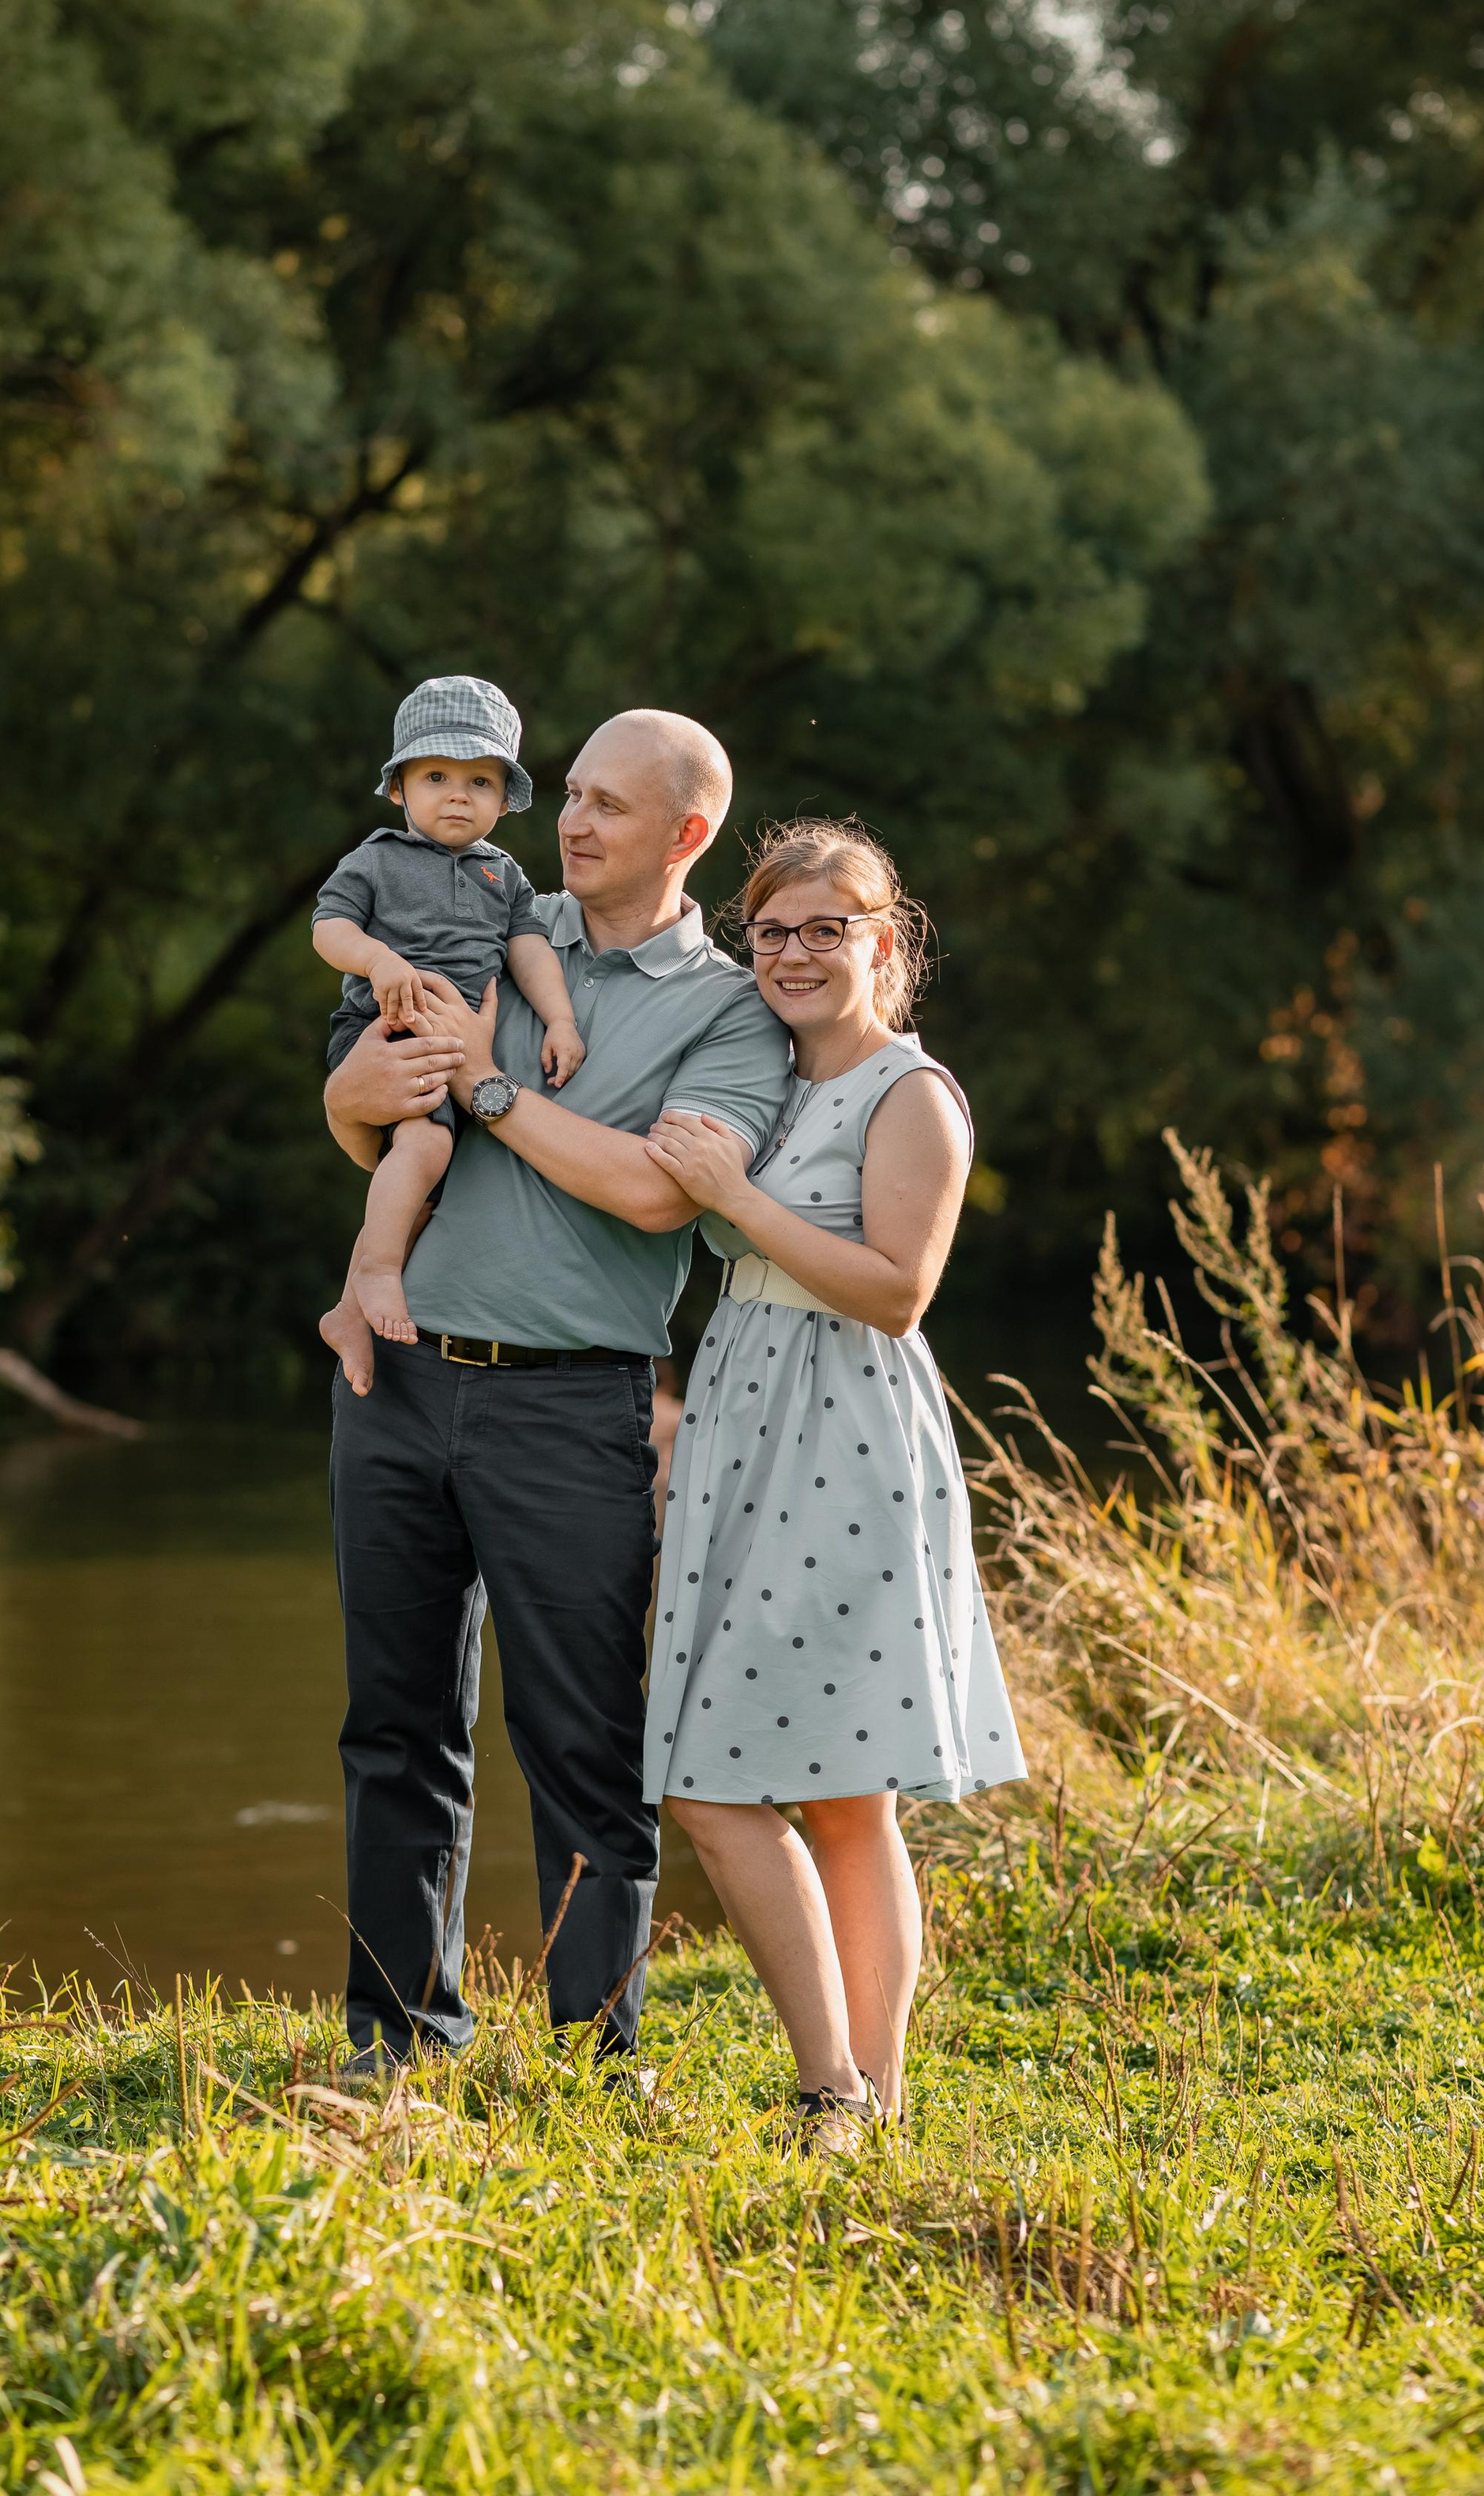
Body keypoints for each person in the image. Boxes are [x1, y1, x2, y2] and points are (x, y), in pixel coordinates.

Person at [320, 708, 791, 2077]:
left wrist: (488, 1089)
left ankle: (596, 2062)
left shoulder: (732, 1012)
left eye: (607, 806)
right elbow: (369, 1119)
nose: (571, 822)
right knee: (395, 1731)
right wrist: (352, 1094)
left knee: (582, 1740)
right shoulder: (487, 918)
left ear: (687, 834)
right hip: (398, 1381)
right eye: (570, 794)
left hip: (573, 1408)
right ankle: (401, 2041)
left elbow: (654, 1192)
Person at [640, 817, 1026, 2150]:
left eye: (826, 929)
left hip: (845, 1433)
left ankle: (836, 2091)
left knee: (720, 1783)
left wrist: (738, 1200)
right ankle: (869, 2102)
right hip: (746, 1415)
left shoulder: (910, 1093)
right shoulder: (765, 1077)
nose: (795, 953)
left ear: (885, 943)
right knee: (842, 1797)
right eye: (772, 931)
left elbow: (899, 1291)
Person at [312, 676, 586, 1388]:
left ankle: (348, 1312)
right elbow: (329, 929)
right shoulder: (376, 858)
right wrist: (378, 961)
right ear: (398, 788)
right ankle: (377, 1272)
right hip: (387, 1028)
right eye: (436, 777)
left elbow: (528, 951)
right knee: (427, 1147)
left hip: (458, 1042)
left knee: (437, 1184)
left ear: (505, 799)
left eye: (480, 782)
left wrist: (559, 1018)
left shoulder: (506, 876)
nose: (458, 796)